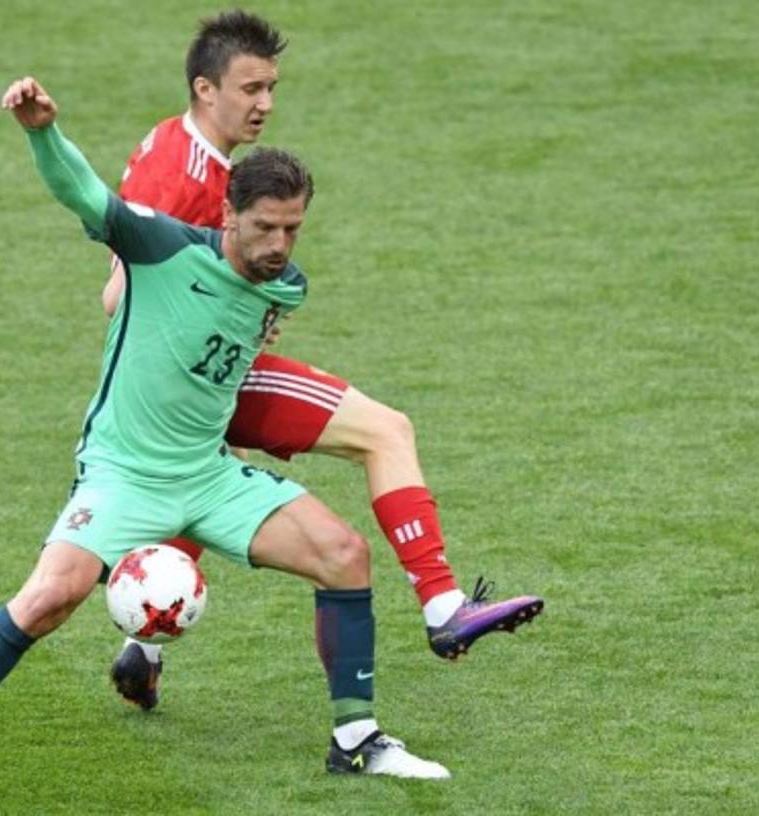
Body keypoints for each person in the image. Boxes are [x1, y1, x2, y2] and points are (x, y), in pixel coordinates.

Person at [0, 75, 452, 806]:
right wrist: (40, 131)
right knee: (50, 597)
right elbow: (82, 193)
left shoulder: (286, 286)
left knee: (343, 555)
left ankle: (358, 741)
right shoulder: (159, 246)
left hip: (207, 476)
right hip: (123, 475)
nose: (280, 245)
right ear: (227, 213)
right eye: (265, 227)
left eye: (293, 228)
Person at [106, 10, 543, 711]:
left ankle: (144, 648)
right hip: (194, 382)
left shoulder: (183, 144)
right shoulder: (184, 175)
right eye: (250, 88)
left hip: (195, 379)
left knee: (195, 494)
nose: (265, 104)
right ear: (205, 89)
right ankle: (441, 608)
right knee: (385, 431)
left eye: (272, 87)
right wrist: (230, 319)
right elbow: (118, 295)